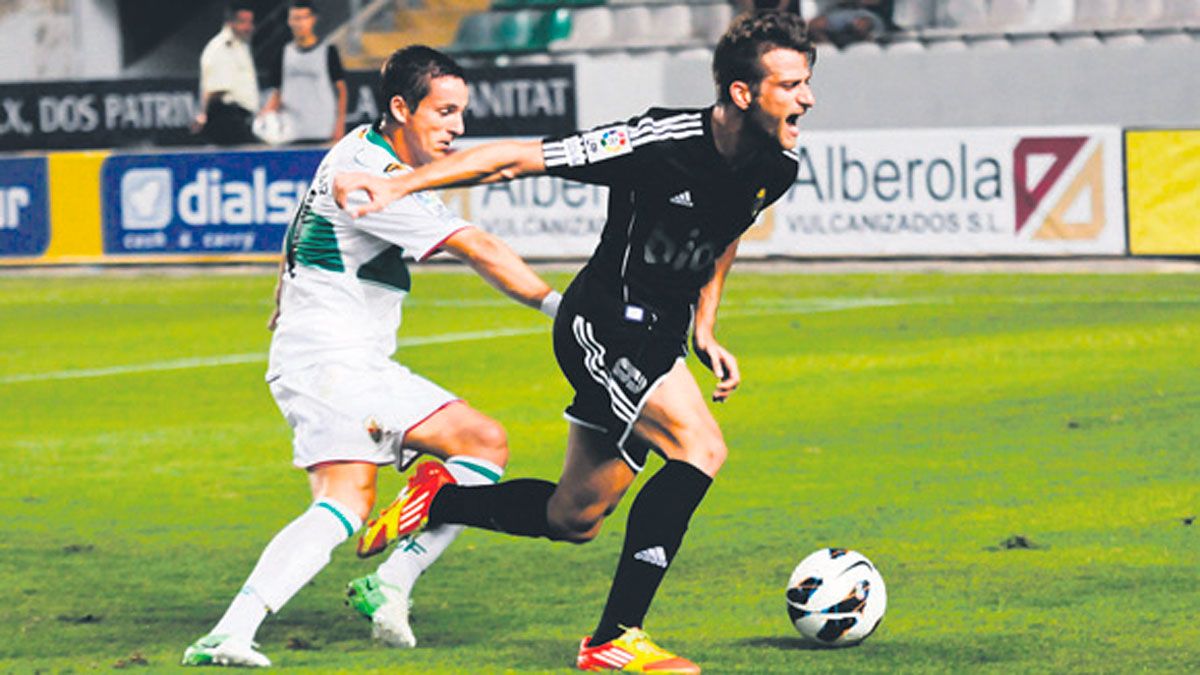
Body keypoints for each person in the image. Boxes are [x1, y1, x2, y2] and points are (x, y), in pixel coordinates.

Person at [336, 11, 816, 672]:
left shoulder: (776, 165)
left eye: (805, 83)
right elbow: (516, 159)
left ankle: (435, 495)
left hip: (661, 332)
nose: (807, 98)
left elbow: (726, 232)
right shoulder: (658, 140)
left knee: (575, 515)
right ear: (742, 93)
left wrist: (706, 323)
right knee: (701, 448)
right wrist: (400, 182)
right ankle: (614, 638)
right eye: (790, 85)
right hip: (606, 320)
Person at [181, 45, 562, 667]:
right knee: (346, 502)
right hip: (327, 362)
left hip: (354, 359)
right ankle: (232, 631)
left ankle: (389, 582)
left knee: (482, 441)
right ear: (400, 108)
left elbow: (307, 225)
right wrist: (558, 309)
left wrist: (285, 287)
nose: (457, 126)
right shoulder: (374, 180)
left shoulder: (363, 150)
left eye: (462, 112)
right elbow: (478, 246)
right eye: (444, 112)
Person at [259, 0, 348, 145]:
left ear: (313, 19)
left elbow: (341, 90)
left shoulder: (327, 52)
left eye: (303, 18)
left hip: (323, 129)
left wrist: (339, 123)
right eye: (295, 18)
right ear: (289, 21)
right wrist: (265, 115)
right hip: (291, 131)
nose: (299, 23)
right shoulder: (282, 54)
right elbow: (277, 93)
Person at [194, 1, 260, 146]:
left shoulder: (240, 46)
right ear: (231, 22)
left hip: (242, 117)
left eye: (250, 22)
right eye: (243, 22)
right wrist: (204, 115)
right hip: (227, 118)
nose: (248, 27)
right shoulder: (221, 48)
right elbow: (215, 91)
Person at [808, 0, 894, 48]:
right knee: (814, 25)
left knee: (861, 25)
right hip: (838, 12)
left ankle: (869, 46)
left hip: (867, 13)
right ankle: (828, 49)